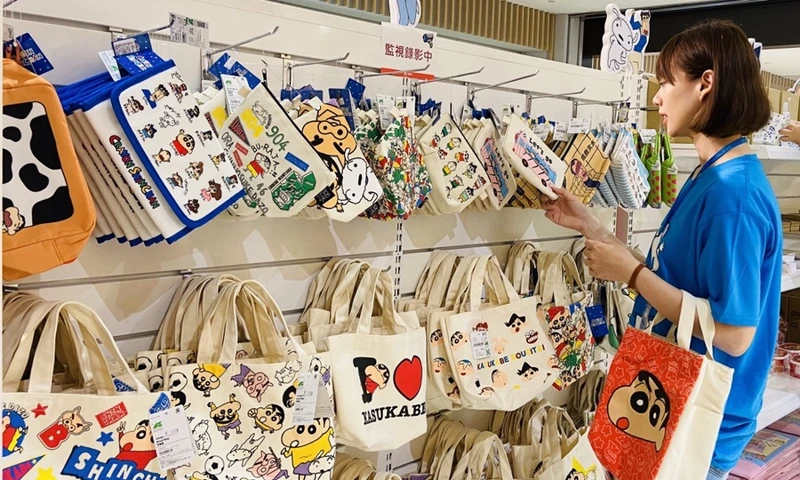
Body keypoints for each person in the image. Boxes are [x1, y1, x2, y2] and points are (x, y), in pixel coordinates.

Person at [544, 20, 780, 480]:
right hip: (667, 402)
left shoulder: (733, 195)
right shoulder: (712, 174)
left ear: (705, 84)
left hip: (696, 422)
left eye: (667, 82)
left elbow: (734, 335)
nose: (657, 98)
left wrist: (630, 275)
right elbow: (679, 278)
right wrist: (593, 227)